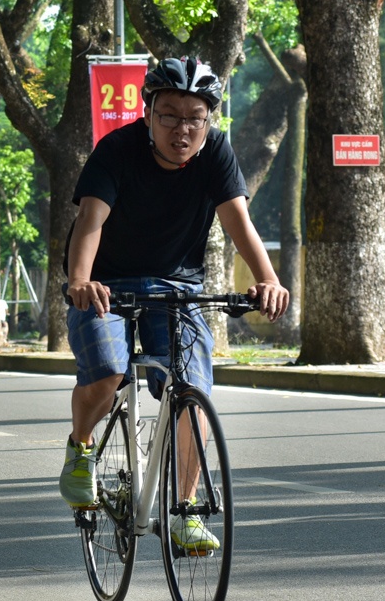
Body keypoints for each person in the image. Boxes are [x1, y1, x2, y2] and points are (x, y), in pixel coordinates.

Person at [59, 57, 290, 553]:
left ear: (208, 121)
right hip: (105, 283)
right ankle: (81, 448)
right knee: (107, 373)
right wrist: (80, 280)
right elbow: (91, 220)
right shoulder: (116, 150)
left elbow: (238, 221)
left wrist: (268, 279)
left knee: (192, 389)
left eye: (194, 118)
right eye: (169, 115)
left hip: (175, 285)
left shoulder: (216, 153)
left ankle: (185, 509)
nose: (182, 129)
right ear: (147, 113)